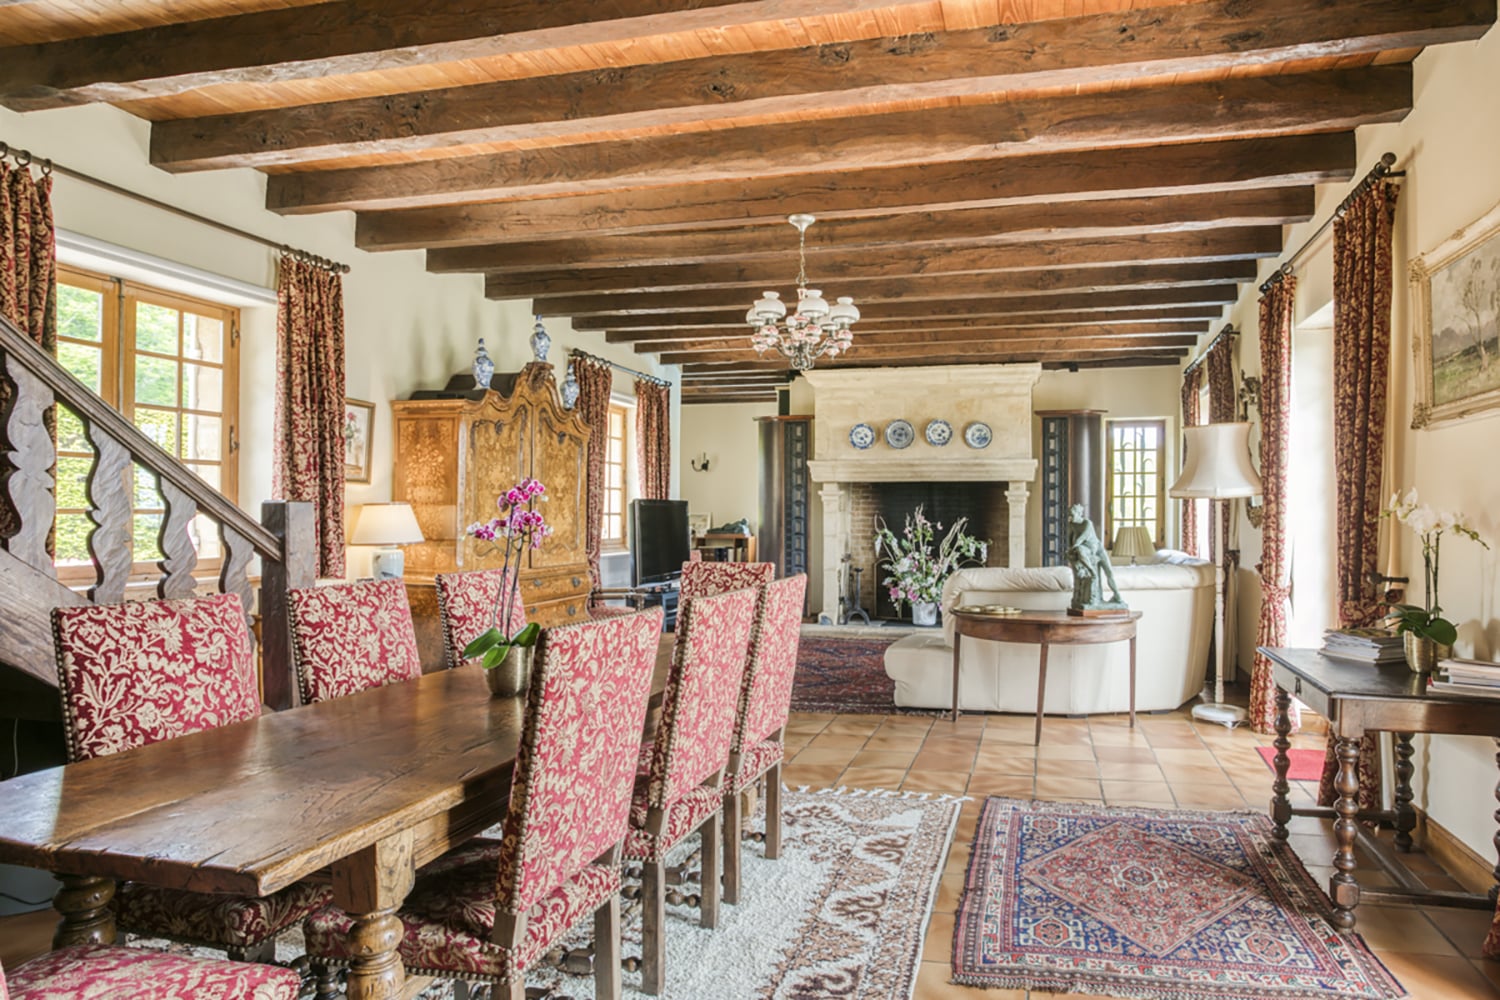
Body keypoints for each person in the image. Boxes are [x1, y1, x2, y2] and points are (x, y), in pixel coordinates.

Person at [1066, 504, 1123, 609]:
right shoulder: (1071, 525)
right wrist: (1069, 550)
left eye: (1072, 514)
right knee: (1079, 551)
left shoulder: (1087, 523)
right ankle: (1092, 572)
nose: (1070, 516)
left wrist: (1072, 548)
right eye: (1069, 514)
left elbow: (1081, 539)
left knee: (1109, 572)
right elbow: (1069, 540)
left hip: (1098, 550)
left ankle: (1117, 595)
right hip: (1086, 550)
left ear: (1079, 514)